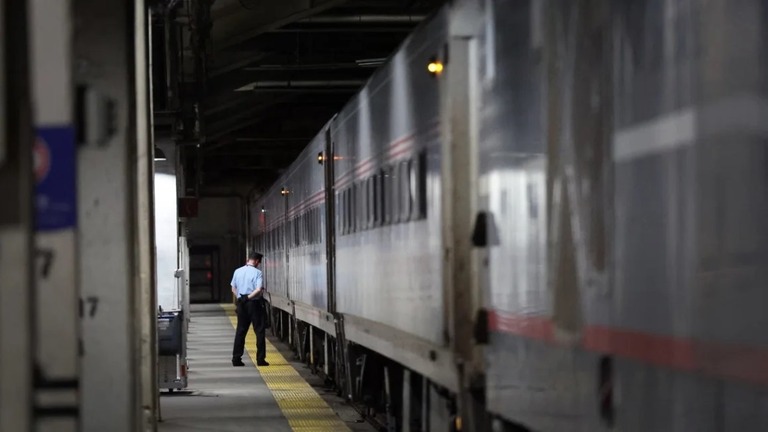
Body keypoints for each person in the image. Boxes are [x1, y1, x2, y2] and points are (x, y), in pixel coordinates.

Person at [230, 251, 269, 367]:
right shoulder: (258, 273)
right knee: (259, 331)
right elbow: (258, 290)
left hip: (241, 304)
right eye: (259, 262)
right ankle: (260, 360)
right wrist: (248, 297)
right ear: (256, 261)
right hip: (254, 304)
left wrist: (241, 298)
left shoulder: (238, 271)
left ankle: (236, 359)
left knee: (240, 331)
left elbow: (233, 288)